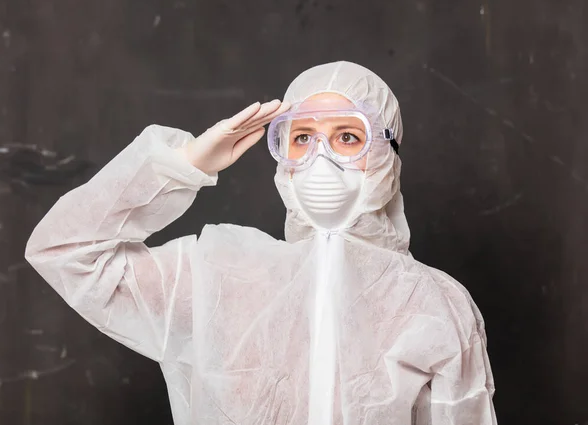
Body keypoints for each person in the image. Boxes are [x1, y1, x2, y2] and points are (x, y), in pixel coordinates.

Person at [25, 61, 497, 425]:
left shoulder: (434, 306)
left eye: (348, 136)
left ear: (385, 155)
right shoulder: (218, 276)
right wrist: (182, 164)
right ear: (282, 155)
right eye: (303, 137)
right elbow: (65, 249)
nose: (321, 158)